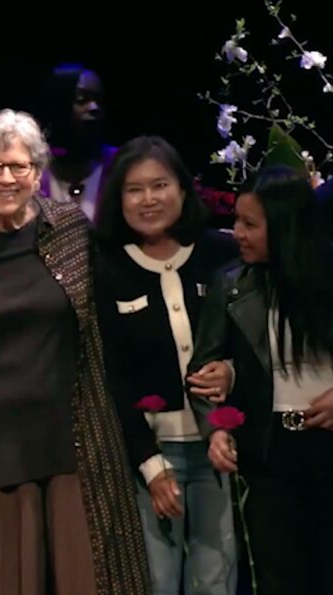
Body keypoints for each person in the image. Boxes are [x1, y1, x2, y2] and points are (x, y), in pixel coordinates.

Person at [0, 108, 149, 595]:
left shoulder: (72, 230)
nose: (7, 177)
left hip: (70, 441)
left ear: (38, 173)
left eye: (19, 166)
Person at [94, 135, 238, 595]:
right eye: (134, 189)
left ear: (183, 189)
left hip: (223, 444)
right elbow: (113, 374)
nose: (149, 199)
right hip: (152, 455)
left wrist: (231, 373)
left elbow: (253, 345)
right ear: (118, 199)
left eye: (160, 185)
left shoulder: (222, 254)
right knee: (157, 581)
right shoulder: (107, 269)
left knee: (215, 580)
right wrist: (150, 465)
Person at [189, 165, 333, 595]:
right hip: (270, 455)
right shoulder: (232, 284)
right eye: (235, 220)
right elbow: (205, 372)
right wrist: (215, 428)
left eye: (250, 224)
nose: (237, 232)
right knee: (279, 580)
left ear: (287, 225)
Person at [36, 63, 118, 223]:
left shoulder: (121, 164)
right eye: (81, 100)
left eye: (99, 100)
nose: (94, 108)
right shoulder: (31, 171)